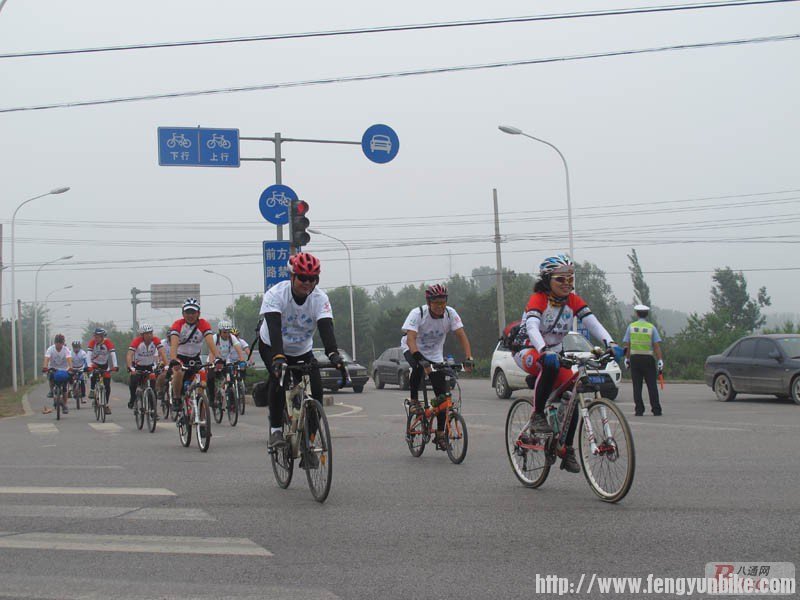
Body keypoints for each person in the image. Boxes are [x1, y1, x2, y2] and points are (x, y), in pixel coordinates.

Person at [513, 254, 624, 473]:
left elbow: (593, 323)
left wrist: (611, 342)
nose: (567, 284)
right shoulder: (539, 299)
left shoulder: (572, 300)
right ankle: (537, 415)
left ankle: (566, 448)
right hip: (528, 348)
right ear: (547, 280)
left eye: (570, 279)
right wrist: (543, 350)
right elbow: (533, 328)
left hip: (554, 351)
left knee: (573, 396)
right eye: (561, 279)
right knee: (551, 366)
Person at [258, 252, 344, 459]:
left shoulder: (319, 298)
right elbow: (274, 328)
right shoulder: (275, 295)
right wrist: (278, 358)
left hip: (302, 350)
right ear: (292, 277)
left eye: (312, 279)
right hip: (272, 345)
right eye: (303, 278)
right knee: (279, 380)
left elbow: (326, 328)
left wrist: (334, 354)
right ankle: (276, 430)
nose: (307, 283)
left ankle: (309, 445)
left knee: (316, 393)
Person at [400, 283, 474, 451]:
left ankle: (440, 435)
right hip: (412, 348)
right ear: (429, 302)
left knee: (443, 399)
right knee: (418, 366)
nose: (441, 306)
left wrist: (469, 358)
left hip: (434, 354)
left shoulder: (450, 313)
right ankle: (413, 401)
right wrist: (420, 359)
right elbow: (411, 338)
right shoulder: (418, 314)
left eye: (443, 302)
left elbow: (461, 335)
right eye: (437, 303)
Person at [167, 298, 219, 411]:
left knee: (203, 384)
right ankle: (176, 398)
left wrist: (218, 358)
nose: (190, 315)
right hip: (180, 358)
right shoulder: (178, 324)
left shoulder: (203, 324)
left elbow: (211, 343)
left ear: (198, 313)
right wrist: (173, 360)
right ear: (183, 313)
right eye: (187, 312)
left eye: (193, 312)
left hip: (195, 359)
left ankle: (200, 411)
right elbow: (174, 345)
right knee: (178, 373)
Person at [622, 304, 664, 416]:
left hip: (635, 359)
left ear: (636, 313)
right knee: (652, 385)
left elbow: (627, 345)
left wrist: (626, 359)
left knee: (637, 386)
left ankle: (639, 410)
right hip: (648, 359)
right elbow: (656, 346)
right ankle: (656, 409)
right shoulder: (651, 327)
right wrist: (660, 360)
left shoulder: (631, 327)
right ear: (647, 314)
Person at [126, 323, 168, 409]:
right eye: (147, 334)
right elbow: (129, 355)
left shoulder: (155, 340)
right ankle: (133, 398)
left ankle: (153, 410)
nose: (149, 335)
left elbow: (162, 352)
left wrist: (167, 365)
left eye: (151, 333)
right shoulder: (137, 341)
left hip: (150, 366)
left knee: (153, 388)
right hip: (138, 366)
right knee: (133, 381)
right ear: (142, 335)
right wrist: (130, 367)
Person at [207, 320, 246, 410]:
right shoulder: (215, 338)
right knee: (211, 377)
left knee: (231, 378)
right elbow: (211, 352)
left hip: (225, 361)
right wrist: (212, 364)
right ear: (220, 331)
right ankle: (212, 399)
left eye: (228, 332)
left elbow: (239, 350)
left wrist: (242, 361)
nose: (226, 334)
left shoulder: (232, 338)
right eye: (224, 332)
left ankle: (232, 402)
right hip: (214, 359)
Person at [87, 327, 118, 415]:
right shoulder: (92, 343)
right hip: (95, 364)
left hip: (105, 366)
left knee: (107, 385)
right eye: (95, 336)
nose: (96, 338)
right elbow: (88, 355)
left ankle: (106, 405)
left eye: (98, 336)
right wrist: (89, 365)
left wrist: (115, 366)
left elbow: (113, 354)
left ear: (102, 337)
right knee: (93, 375)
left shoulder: (108, 343)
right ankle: (92, 390)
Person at [42, 334, 73, 414]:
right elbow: (47, 358)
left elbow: (69, 359)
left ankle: (65, 405)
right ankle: (51, 391)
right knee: (51, 377)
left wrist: (70, 367)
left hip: (64, 369)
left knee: (65, 388)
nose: (59, 345)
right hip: (53, 368)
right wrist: (45, 367)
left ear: (63, 343)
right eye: (57, 343)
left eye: (60, 343)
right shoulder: (50, 349)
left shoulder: (66, 350)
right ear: (55, 343)